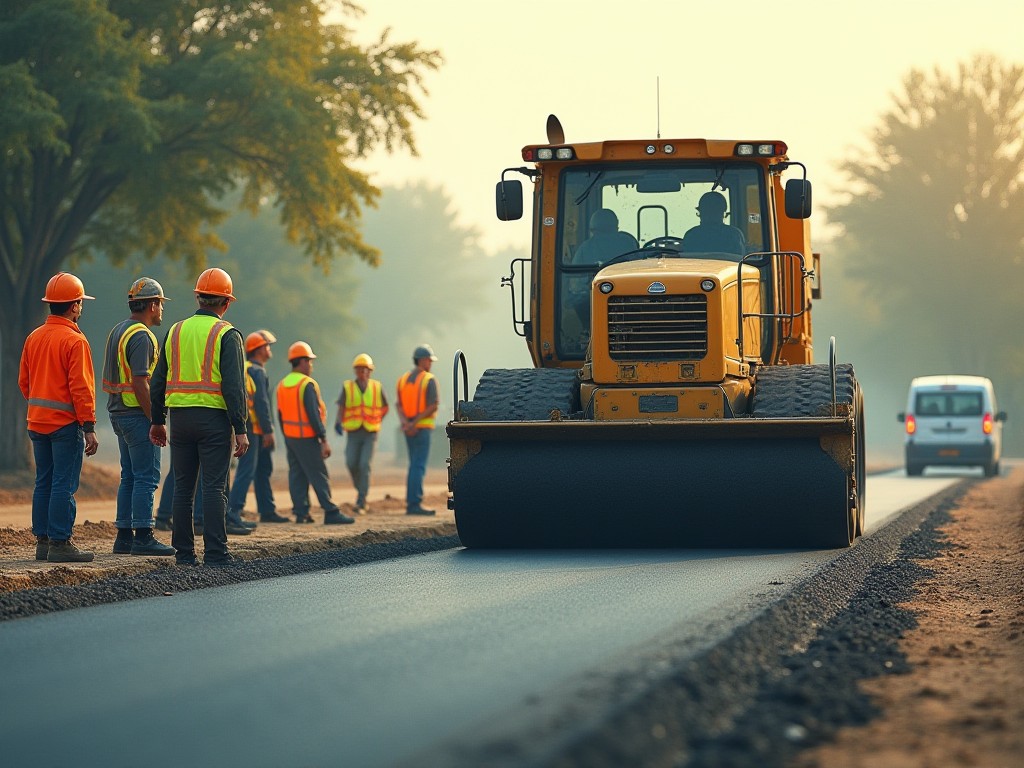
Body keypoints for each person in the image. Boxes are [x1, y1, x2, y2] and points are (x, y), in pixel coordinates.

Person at [149, 267, 249, 567]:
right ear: (226, 302)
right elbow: (234, 387)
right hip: (214, 421)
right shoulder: (227, 334)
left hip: (179, 420)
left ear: (198, 297)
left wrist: (157, 420)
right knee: (214, 487)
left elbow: (158, 381)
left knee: (183, 487)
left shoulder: (175, 330)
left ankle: (184, 554)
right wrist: (240, 427)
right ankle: (216, 554)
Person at [19, 272, 99, 563]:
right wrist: (89, 426)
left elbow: (24, 383)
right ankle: (61, 543)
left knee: (44, 480)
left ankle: (43, 542)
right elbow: (82, 388)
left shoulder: (34, 337)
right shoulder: (75, 341)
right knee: (63, 483)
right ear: (75, 305)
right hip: (65, 425)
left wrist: (40, 407)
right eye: (80, 302)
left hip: (36, 423)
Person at [101, 277, 175, 556]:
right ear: (152, 304)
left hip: (117, 413)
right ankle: (143, 535)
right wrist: (156, 420)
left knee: (129, 476)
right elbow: (140, 381)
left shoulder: (118, 330)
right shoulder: (142, 336)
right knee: (146, 477)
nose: (162, 310)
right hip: (136, 415)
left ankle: (124, 537)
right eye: (161, 304)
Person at [277, 342, 353, 525]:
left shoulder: (283, 384)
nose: (311, 365)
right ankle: (331, 511)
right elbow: (313, 414)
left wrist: (286, 436)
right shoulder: (306, 384)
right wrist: (324, 439)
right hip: (307, 437)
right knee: (318, 473)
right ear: (302, 361)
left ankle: (301, 513)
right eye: (310, 361)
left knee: (297, 474)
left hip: (290, 437)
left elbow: (279, 414)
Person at [227, 330, 289, 526]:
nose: (269, 349)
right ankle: (233, 511)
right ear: (259, 350)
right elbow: (262, 403)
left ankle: (267, 509)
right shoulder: (258, 371)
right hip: (254, 428)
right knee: (248, 469)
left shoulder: (245, 368)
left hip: (249, 424)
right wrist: (269, 430)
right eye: (267, 346)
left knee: (262, 469)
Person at [334, 353, 389, 514]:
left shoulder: (377, 387)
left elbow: (385, 407)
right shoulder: (348, 387)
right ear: (355, 371)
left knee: (364, 464)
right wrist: (338, 422)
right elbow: (341, 407)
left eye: (365, 369)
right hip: (353, 432)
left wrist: (377, 419)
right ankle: (361, 489)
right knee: (351, 463)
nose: (363, 372)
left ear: (370, 371)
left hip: (370, 433)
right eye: (359, 369)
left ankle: (361, 499)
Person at [396, 344, 440, 516]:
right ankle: (414, 503)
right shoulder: (429, 379)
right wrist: (415, 423)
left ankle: (411, 502)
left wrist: (406, 423)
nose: (431, 363)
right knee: (418, 465)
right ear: (422, 360)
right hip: (421, 429)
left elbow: (398, 405)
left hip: (408, 429)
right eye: (429, 360)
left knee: (413, 464)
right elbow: (433, 405)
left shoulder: (402, 379)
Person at [681, 191, 746, 255]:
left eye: (712, 211)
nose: (710, 214)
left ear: (700, 212)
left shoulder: (691, 236)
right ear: (723, 212)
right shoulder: (734, 235)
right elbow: (741, 259)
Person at [572, 209, 639, 264]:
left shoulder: (585, 248)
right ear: (616, 225)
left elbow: (574, 277)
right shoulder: (628, 243)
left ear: (592, 229)